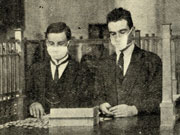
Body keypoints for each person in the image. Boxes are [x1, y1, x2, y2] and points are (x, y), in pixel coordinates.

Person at [97, 7, 162, 117]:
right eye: (113, 34)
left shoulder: (151, 60)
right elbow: (97, 95)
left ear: (132, 31)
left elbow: (158, 98)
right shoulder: (105, 63)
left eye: (122, 32)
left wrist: (135, 109)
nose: (117, 38)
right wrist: (101, 104)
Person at [26, 22, 93, 118]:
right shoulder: (35, 69)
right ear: (46, 43)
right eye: (51, 43)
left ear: (68, 43)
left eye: (60, 43)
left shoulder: (82, 71)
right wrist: (33, 103)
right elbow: (28, 96)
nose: (55, 48)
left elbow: (87, 103)